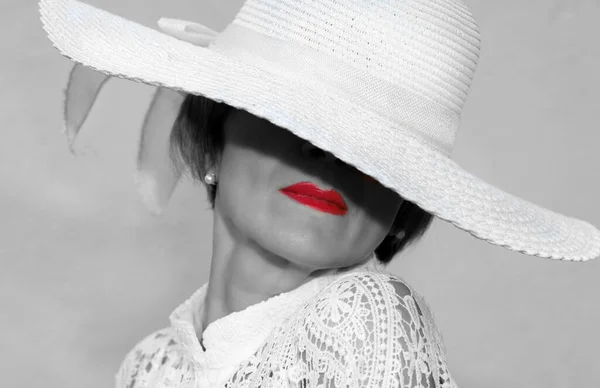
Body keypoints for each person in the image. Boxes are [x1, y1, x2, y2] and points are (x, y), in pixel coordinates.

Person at [38, 0, 600, 387]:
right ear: (213, 141)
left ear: (401, 209)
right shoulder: (148, 367)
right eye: (296, 123)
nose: (332, 160)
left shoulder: (365, 318)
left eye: (377, 157)